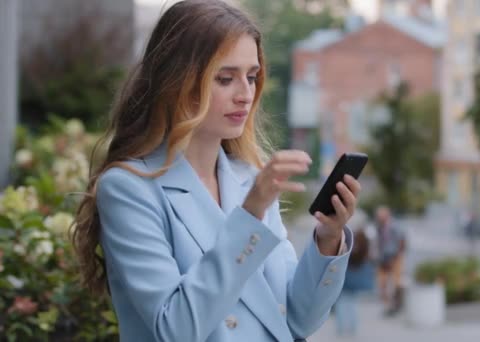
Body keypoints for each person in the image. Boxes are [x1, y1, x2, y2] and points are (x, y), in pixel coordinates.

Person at [70, 1, 361, 341]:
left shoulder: (249, 178)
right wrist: (250, 215)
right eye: (225, 78)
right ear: (178, 82)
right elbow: (174, 328)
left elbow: (296, 320)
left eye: (251, 77)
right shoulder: (128, 188)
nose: (246, 94)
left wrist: (328, 240)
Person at [333, 228, 373, 336]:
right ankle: (352, 327)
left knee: (341, 302)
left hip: (346, 277)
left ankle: (341, 327)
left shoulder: (350, 245)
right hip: (356, 278)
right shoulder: (365, 246)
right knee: (352, 302)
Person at [374, 206, 406, 316]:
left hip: (395, 257)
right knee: (382, 283)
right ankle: (388, 305)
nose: (379, 218)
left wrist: (397, 256)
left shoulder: (395, 226)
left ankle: (396, 305)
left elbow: (402, 241)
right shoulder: (379, 227)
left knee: (396, 282)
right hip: (383, 258)